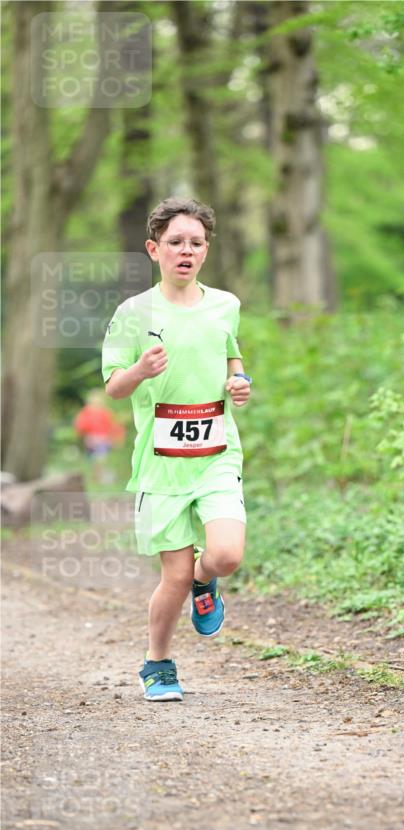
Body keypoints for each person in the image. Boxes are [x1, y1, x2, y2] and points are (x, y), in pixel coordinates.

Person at [102, 197, 251, 702]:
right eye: (175, 243)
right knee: (175, 574)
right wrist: (139, 371)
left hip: (217, 453)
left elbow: (232, 356)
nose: (185, 251)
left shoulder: (225, 304)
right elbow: (114, 386)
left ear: (206, 250)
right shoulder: (133, 313)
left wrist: (239, 382)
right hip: (162, 465)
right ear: (154, 249)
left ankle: (206, 584)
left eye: (196, 243)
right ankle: (158, 662)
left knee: (225, 555)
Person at [73, 389, 126, 484]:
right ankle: (95, 476)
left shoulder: (105, 412)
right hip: (92, 440)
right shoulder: (86, 413)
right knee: (94, 459)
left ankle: (99, 476)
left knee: (100, 458)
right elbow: (80, 426)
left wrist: (117, 438)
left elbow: (113, 426)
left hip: (103, 440)